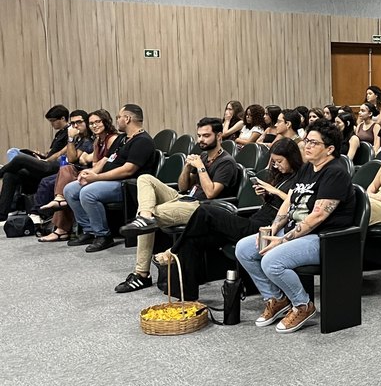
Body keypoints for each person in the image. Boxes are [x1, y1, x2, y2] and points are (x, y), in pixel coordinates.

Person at [235, 119, 356, 333]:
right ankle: (276, 298)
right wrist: (273, 229)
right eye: (307, 141)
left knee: (272, 261)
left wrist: (281, 240)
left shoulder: (335, 173)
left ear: (329, 149)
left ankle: (303, 305)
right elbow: (289, 201)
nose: (307, 146)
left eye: (313, 143)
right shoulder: (307, 167)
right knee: (244, 249)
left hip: (325, 238)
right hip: (297, 231)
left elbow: (317, 217)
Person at [154, 138, 303, 301]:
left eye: (279, 161)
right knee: (193, 240)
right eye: (273, 162)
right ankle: (187, 297)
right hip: (254, 218)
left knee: (204, 210)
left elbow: (293, 202)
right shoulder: (281, 176)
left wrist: (272, 190)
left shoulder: (301, 178)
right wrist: (266, 196)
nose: (276, 165)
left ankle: (172, 251)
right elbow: (273, 204)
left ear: (292, 158)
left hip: (263, 228)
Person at [115, 118, 239, 292]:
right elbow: (182, 187)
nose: (201, 140)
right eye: (199, 136)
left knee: (152, 215)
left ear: (219, 136)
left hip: (203, 208)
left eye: (206, 135)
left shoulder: (226, 162)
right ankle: (146, 216)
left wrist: (201, 168)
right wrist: (188, 168)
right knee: (145, 179)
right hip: (185, 198)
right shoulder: (203, 156)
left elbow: (211, 193)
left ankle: (141, 274)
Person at [63, 104, 156, 252]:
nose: (117, 120)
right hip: (108, 180)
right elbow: (106, 159)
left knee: (88, 192)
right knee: (70, 189)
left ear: (127, 118)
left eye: (119, 117)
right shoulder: (123, 139)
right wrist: (89, 173)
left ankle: (103, 236)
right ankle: (89, 231)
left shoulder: (142, 141)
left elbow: (128, 170)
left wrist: (96, 178)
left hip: (127, 185)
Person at [34, 110, 97, 240]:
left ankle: (57, 222)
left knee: (64, 174)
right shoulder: (80, 138)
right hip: (75, 171)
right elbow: (68, 157)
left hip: (89, 173)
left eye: (79, 122)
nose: (75, 126)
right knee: (61, 176)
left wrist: (70, 138)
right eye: (73, 123)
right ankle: (56, 207)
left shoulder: (90, 139)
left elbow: (72, 158)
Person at [0, 105, 70, 221]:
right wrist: (41, 156)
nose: (52, 124)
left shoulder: (70, 133)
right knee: (10, 175)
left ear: (63, 118)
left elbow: (61, 153)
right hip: (46, 163)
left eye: (53, 121)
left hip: (55, 166)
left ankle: (2, 171)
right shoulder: (59, 134)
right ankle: (2, 214)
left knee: (19, 158)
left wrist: (46, 160)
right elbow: (52, 152)